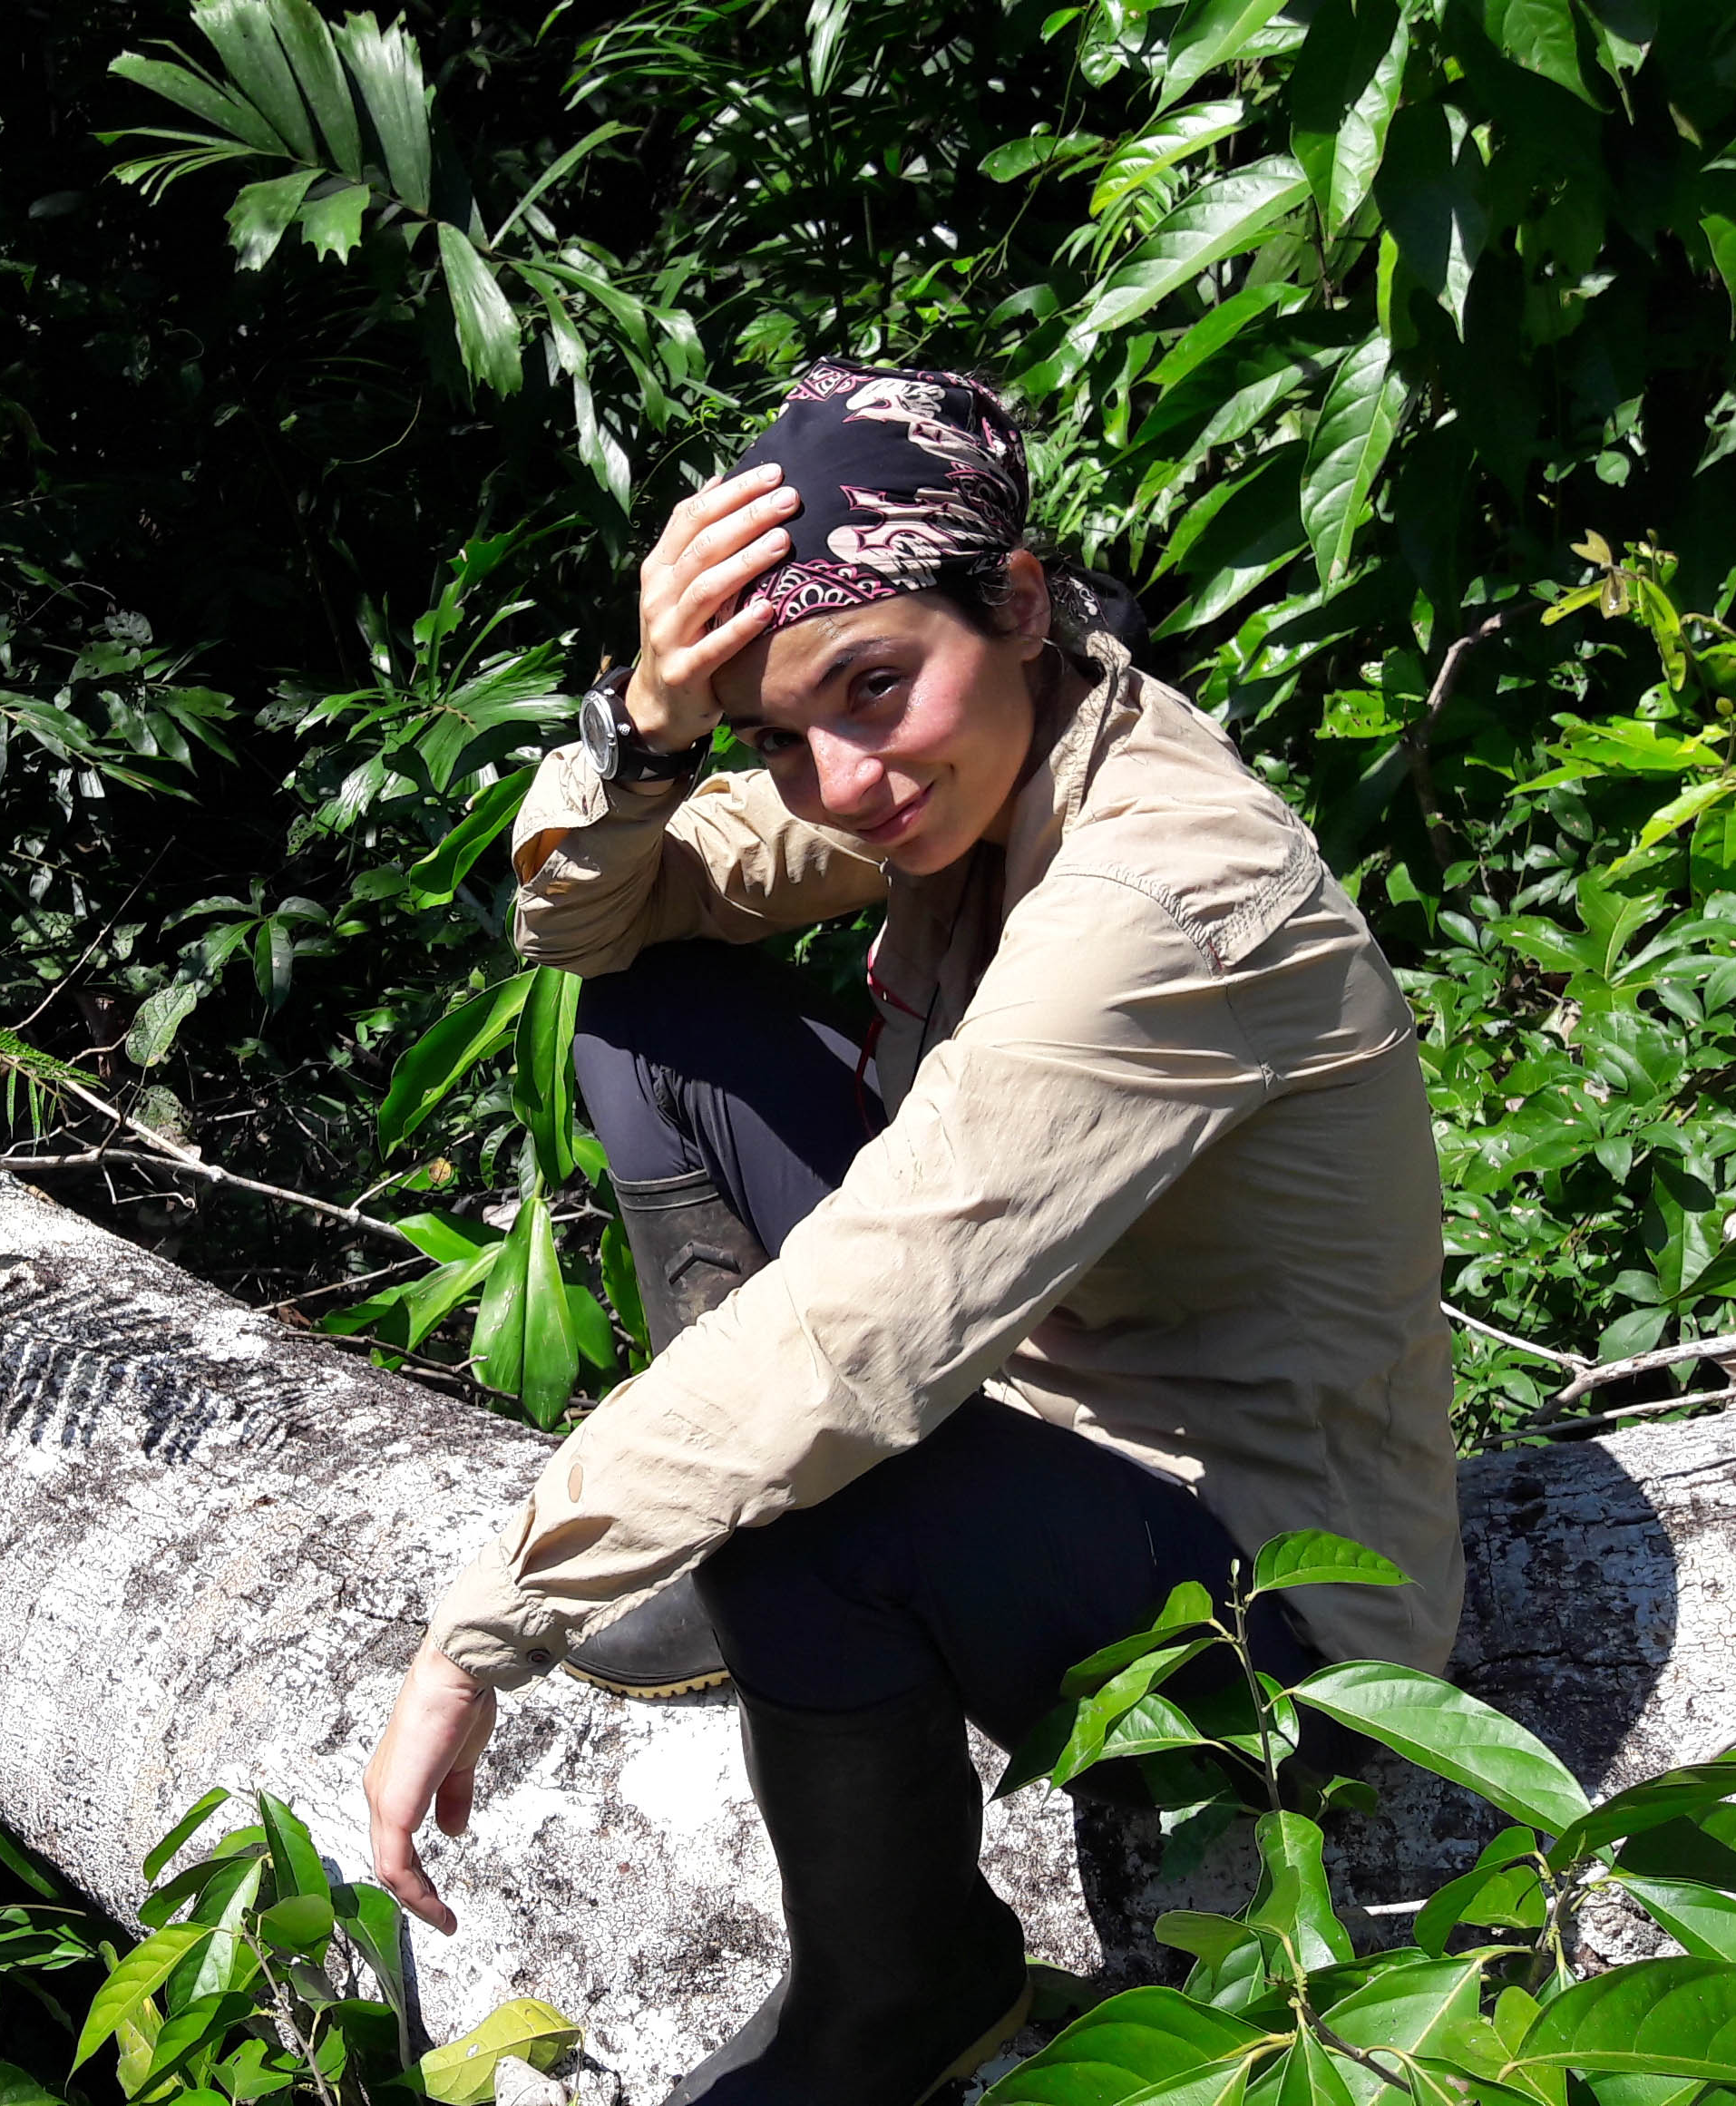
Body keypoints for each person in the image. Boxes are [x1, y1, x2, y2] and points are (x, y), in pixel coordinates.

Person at [356, 362, 1464, 2105]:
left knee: (814, 1492)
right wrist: (642, 733)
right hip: (1055, 1407)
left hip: (1287, 1605)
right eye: (786, 734)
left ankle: (903, 1993)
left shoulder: (1155, 893)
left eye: (876, 691)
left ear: (1017, 604)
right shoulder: (992, 759)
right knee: (655, 1022)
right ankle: (736, 1585)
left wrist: (488, 1616)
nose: (846, 781)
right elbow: (592, 914)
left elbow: (858, 1330)